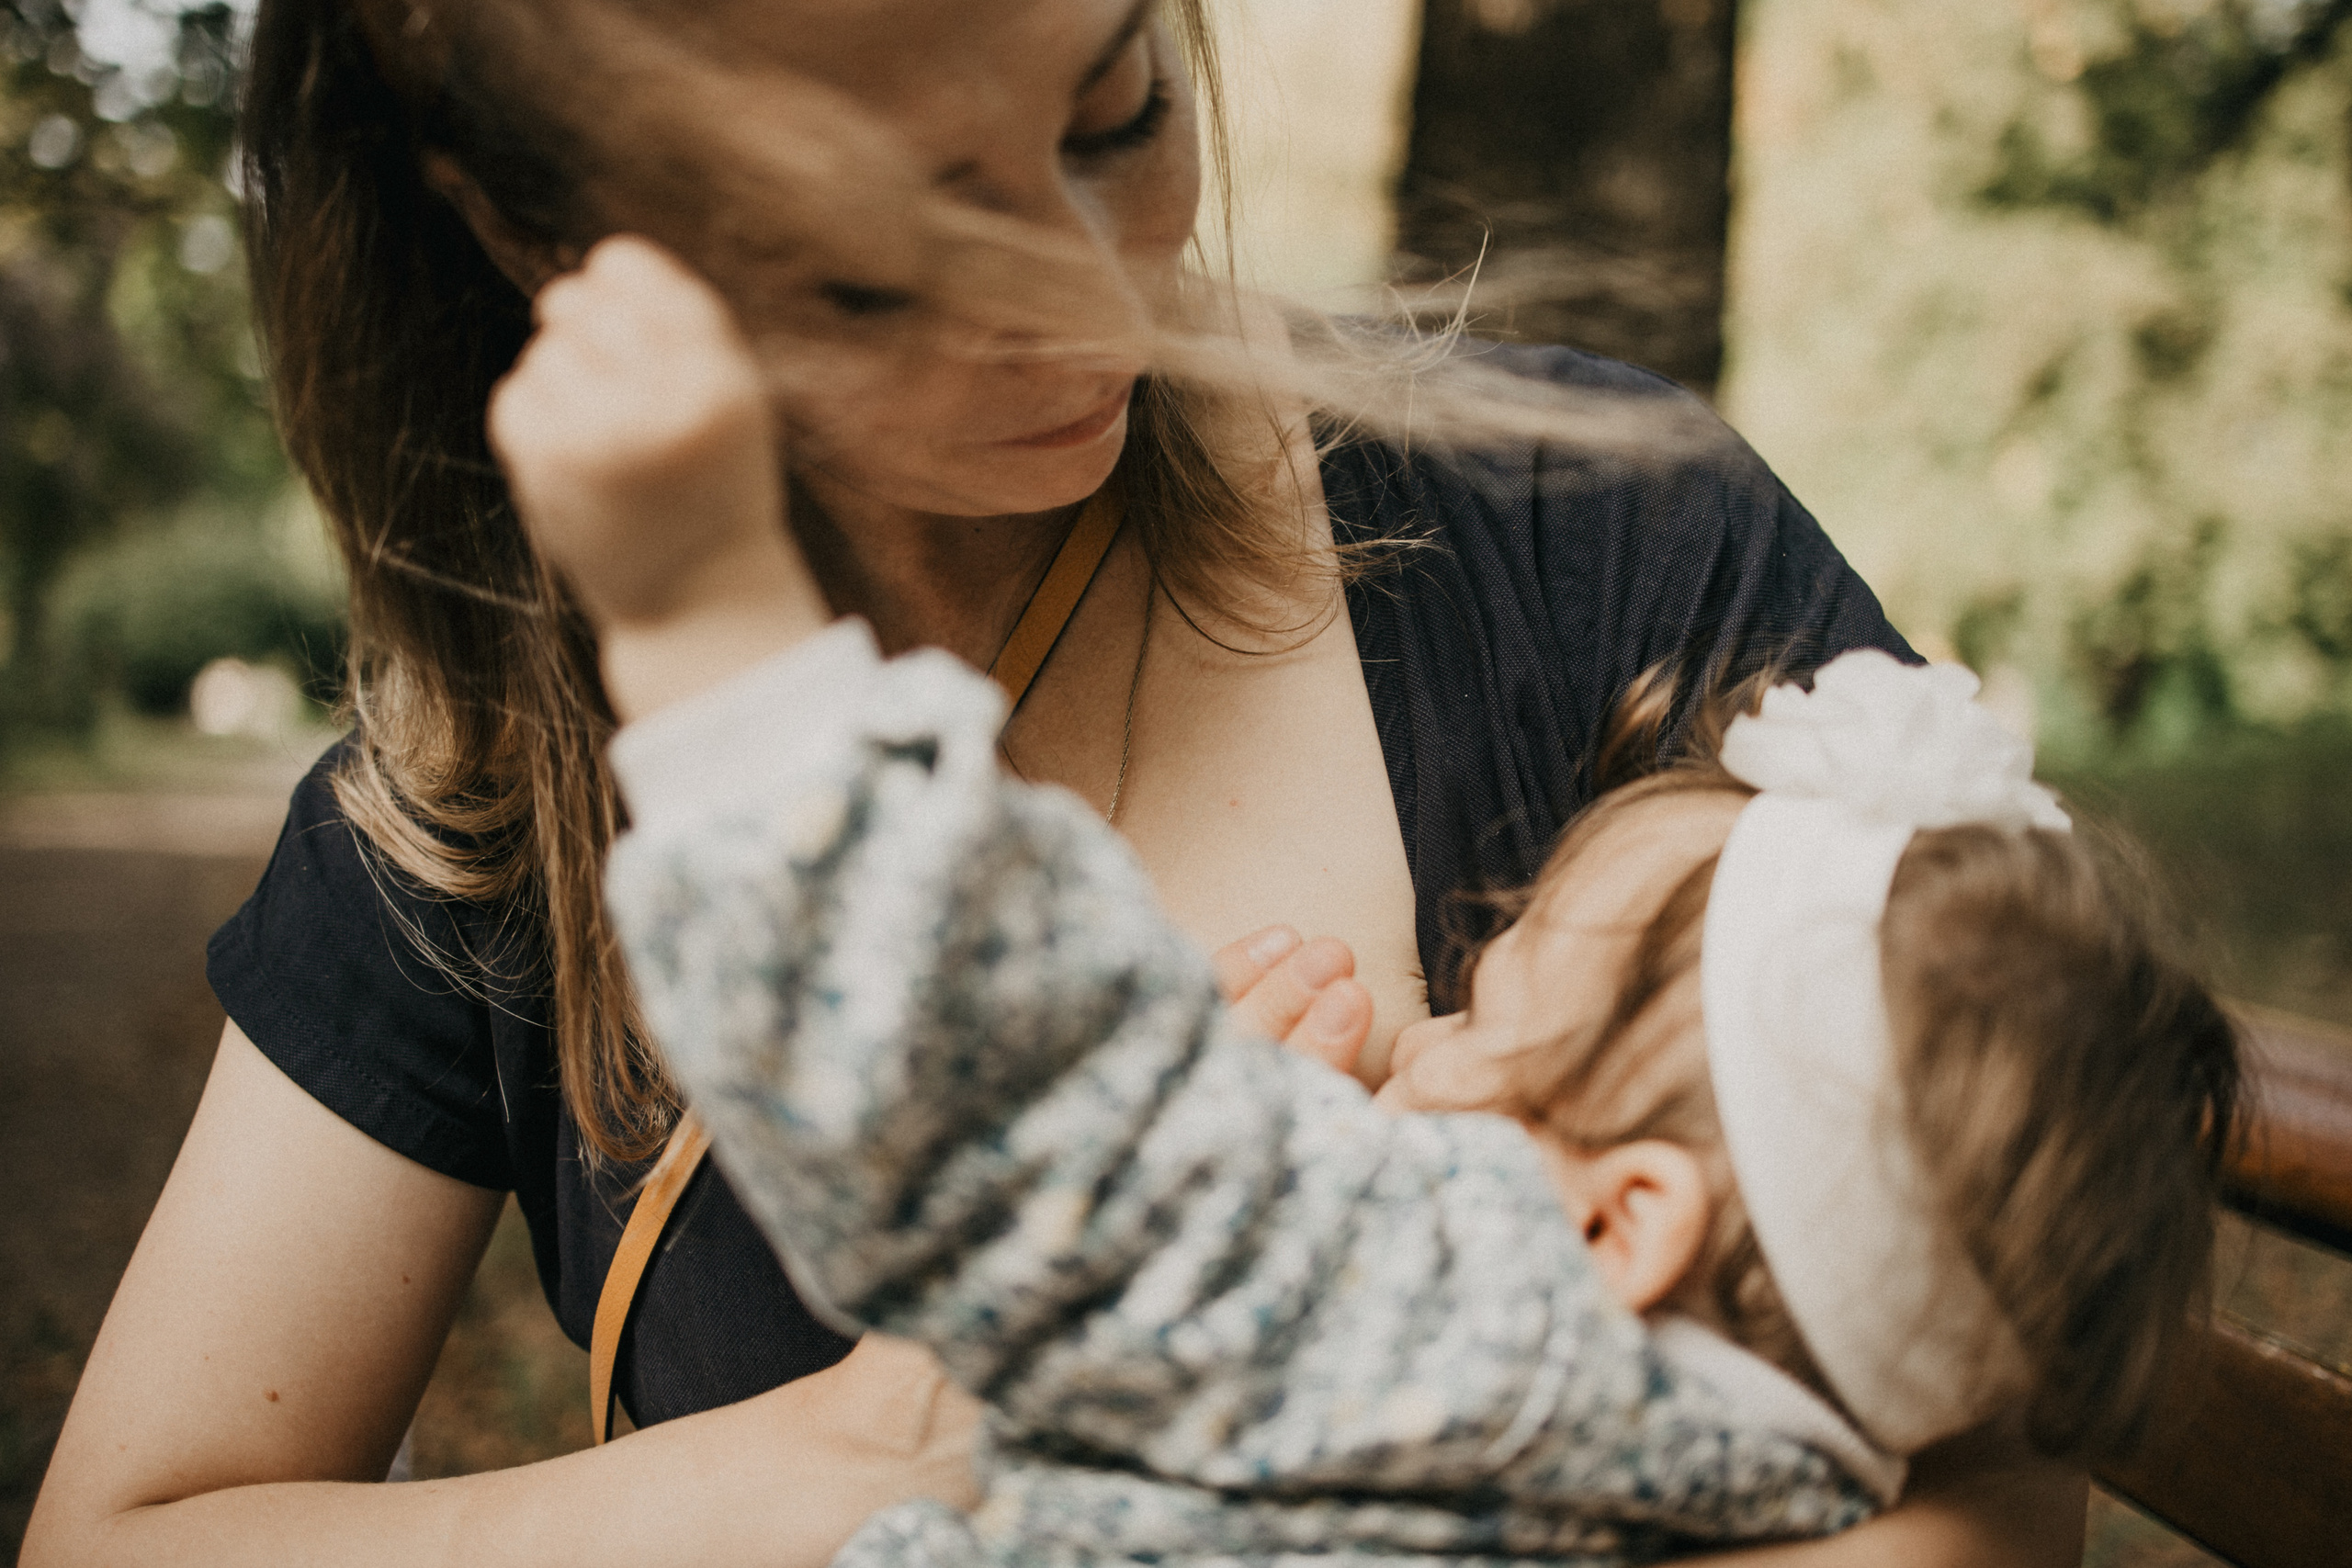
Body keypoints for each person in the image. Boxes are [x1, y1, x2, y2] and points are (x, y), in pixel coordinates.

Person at [23, 3, 2086, 1565]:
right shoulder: (480, 788)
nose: (1090, 302)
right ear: (535, 234)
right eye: (874, 260)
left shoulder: (1592, 538)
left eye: (1121, 115)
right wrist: (859, 1444)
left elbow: (1996, 1410)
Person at [526, 338, 2234, 1560]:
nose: (1418, 1037)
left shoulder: (1486, 1326)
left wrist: (717, 637)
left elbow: (1001, 1128)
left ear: (1622, 1221)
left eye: (1493, 1011)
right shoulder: (1787, 1456)